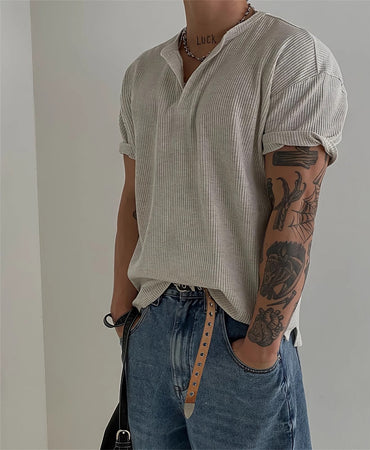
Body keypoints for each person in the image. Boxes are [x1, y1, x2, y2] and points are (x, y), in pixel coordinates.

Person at [106, 0, 348, 448]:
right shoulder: (143, 73)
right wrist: (123, 311)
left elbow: (295, 207)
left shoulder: (290, 54)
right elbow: (134, 196)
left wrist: (262, 345)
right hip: (151, 326)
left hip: (238, 329)